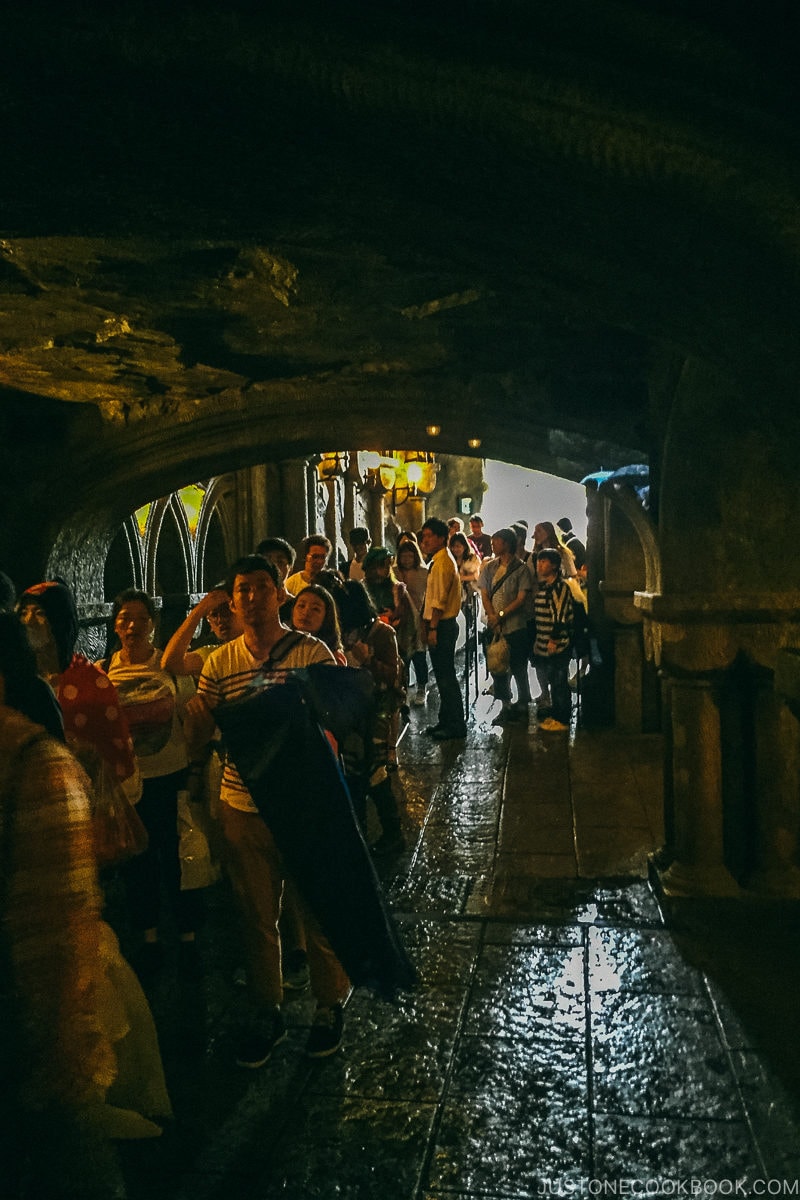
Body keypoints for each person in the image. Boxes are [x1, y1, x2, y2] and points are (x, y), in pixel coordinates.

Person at [0, 612, 172, 1200]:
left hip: (24, 1044)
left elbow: (59, 932)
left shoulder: (31, 761)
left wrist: (62, 1066)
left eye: (41, 614)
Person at [186, 555, 350, 1066]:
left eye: (263, 587)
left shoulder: (311, 651)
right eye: (244, 590)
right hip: (242, 801)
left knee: (315, 907)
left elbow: (336, 719)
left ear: (280, 594)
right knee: (255, 914)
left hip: (304, 802)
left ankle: (328, 1004)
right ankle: (268, 1008)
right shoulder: (219, 662)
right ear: (232, 601)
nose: (253, 597)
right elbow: (202, 723)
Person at [102, 589, 203, 979]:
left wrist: (194, 769)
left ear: (152, 624)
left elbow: (190, 721)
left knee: (181, 859)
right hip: (129, 785)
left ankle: (189, 937)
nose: (132, 626)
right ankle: (148, 938)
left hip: (171, 775)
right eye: (125, 618)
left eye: (140, 618)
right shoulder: (105, 669)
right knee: (138, 863)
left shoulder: (169, 668)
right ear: (115, 624)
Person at [334, 580, 406, 855]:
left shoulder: (381, 632)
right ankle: (361, 832)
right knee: (354, 771)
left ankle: (392, 832)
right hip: (350, 712)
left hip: (376, 710)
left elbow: (392, 676)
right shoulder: (338, 634)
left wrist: (367, 660)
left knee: (374, 771)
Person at [419, 517, 466, 741]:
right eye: (424, 536)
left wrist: (433, 628)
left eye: (429, 536)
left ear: (440, 538)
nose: (425, 540)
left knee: (446, 677)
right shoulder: (439, 560)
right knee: (443, 676)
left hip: (442, 625)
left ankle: (455, 725)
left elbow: (438, 601)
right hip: (441, 624)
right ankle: (446, 720)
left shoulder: (443, 562)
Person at [479, 528, 533, 724]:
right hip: (495, 626)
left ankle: (523, 702)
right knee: (498, 667)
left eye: (497, 541)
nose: (493, 545)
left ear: (507, 544)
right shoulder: (489, 568)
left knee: (519, 666)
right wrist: (492, 615)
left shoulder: (521, 568)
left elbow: (521, 597)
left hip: (515, 625)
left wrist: (501, 615)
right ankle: (505, 705)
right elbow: (484, 593)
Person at [531, 548, 575, 732]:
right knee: (553, 679)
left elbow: (560, 616)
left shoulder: (560, 587)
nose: (539, 565)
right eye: (539, 561)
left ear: (555, 565)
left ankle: (562, 718)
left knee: (559, 680)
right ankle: (556, 712)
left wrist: (553, 640)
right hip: (544, 642)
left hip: (556, 644)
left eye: (544, 561)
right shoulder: (545, 586)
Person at [394, 537, 429, 706]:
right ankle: (404, 691)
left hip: (419, 618)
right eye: (404, 556)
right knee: (402, 657)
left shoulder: (423, 572)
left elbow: (428, 597)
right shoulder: (394, 571)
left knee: (419, 656)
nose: (407, 559)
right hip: (401, 620)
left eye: (410, 556)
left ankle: (422, 689)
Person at [291, 584, 347, 665]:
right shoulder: (282, 646)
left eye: (315, 609)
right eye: (301, 606)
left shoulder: (334, 658)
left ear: (327, 616)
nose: (306, 612)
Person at [255, 537, 297, 623]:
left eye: (280, 562)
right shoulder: (251, 603)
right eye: (268, 561)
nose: (274, 566)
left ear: (290, 569)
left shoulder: (296, 606)